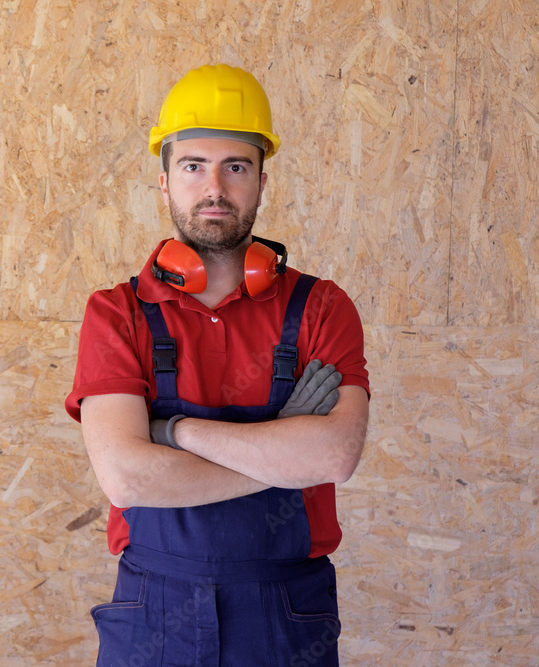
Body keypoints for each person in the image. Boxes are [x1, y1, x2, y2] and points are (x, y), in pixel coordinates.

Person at [65, 63, 370, 666]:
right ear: (164, 182)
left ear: (261, 181)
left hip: (286, 613)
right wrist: (283, 452)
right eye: (192, 166)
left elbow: (335, 456)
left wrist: (175, 433)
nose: (214, 188)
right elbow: (127, 478)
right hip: (154, 610)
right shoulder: (117, 313)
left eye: (235, 167)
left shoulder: (322, 308)